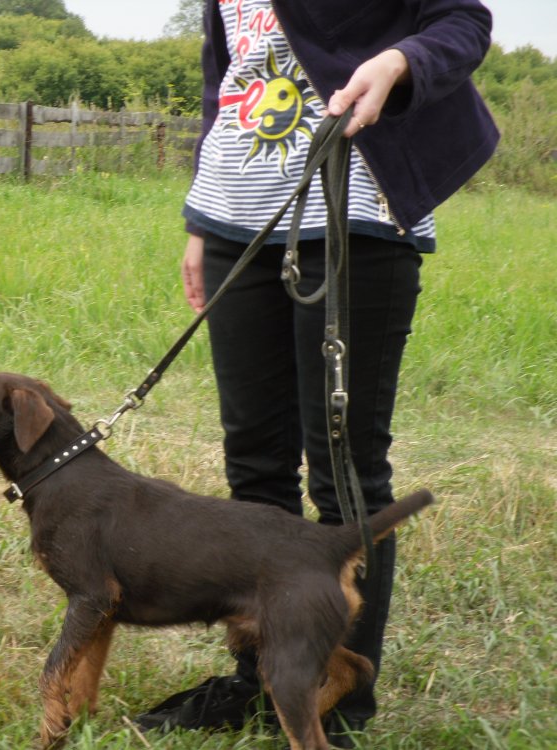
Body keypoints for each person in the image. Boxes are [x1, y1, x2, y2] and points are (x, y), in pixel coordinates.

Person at [135, 0, 498, 746]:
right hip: (236, 219)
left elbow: (463, 20)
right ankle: (261, 681)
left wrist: (400, 61)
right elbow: (224, 81)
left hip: (354, 213)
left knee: (345, 474)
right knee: (254, 467)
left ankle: (339, 698)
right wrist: (200, 220)